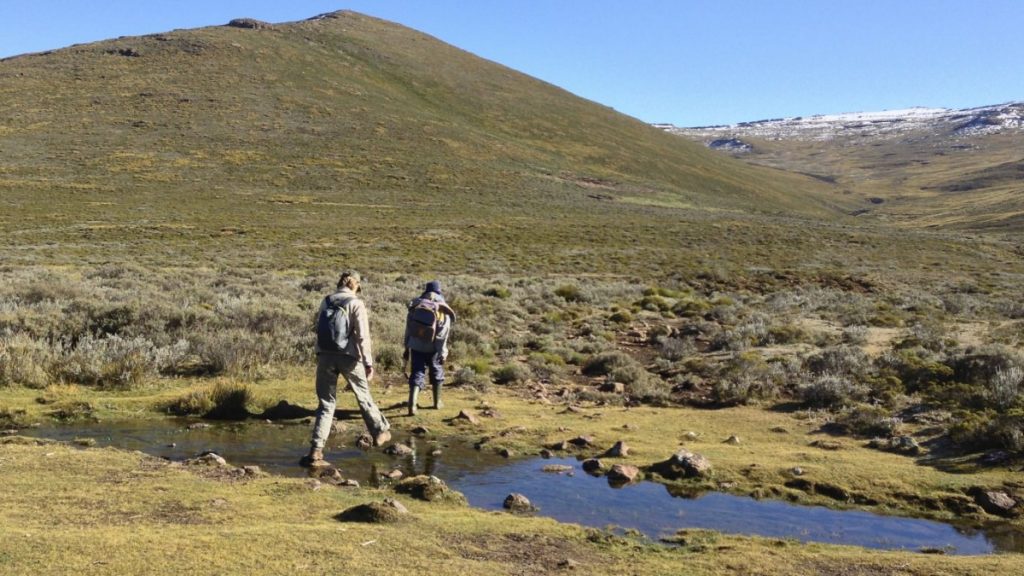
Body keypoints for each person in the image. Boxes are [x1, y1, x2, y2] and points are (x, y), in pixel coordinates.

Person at [302, 270, 390, 467]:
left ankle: (316, 449)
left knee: (326, 403)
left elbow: (319, 329)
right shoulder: (355, 303)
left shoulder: (326, 301)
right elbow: (362, 337)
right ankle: (379, 432)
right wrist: (368, 363)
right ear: (355, 285)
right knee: (363, 395)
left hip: (324, 355)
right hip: (349, 356)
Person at [403, 280, 456, 416]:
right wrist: (442, 352)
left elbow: (408, 328)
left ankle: (412, 405)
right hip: (433, 348)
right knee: (436, 371)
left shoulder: (416, 305)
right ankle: (437, 403)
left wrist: (407, 347)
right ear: (439, 291)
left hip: (416, 346)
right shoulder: (442, 308)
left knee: (417, 372)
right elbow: (443, 334)